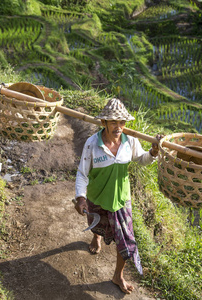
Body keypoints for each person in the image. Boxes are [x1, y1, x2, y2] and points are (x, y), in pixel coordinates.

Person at [74, 98, 161, 294]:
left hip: (121, 199)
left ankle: (118, 276)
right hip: (96, 197)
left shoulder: (130, 141)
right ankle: (96, 237)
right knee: (97, 224)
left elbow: (141, 159)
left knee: (126, 240)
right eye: (114, 122)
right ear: (104, 122)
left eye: (122, 122)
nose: (119, 127)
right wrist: (80, 197)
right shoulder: (92, 144)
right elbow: (82, 173)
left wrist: (153, 152)